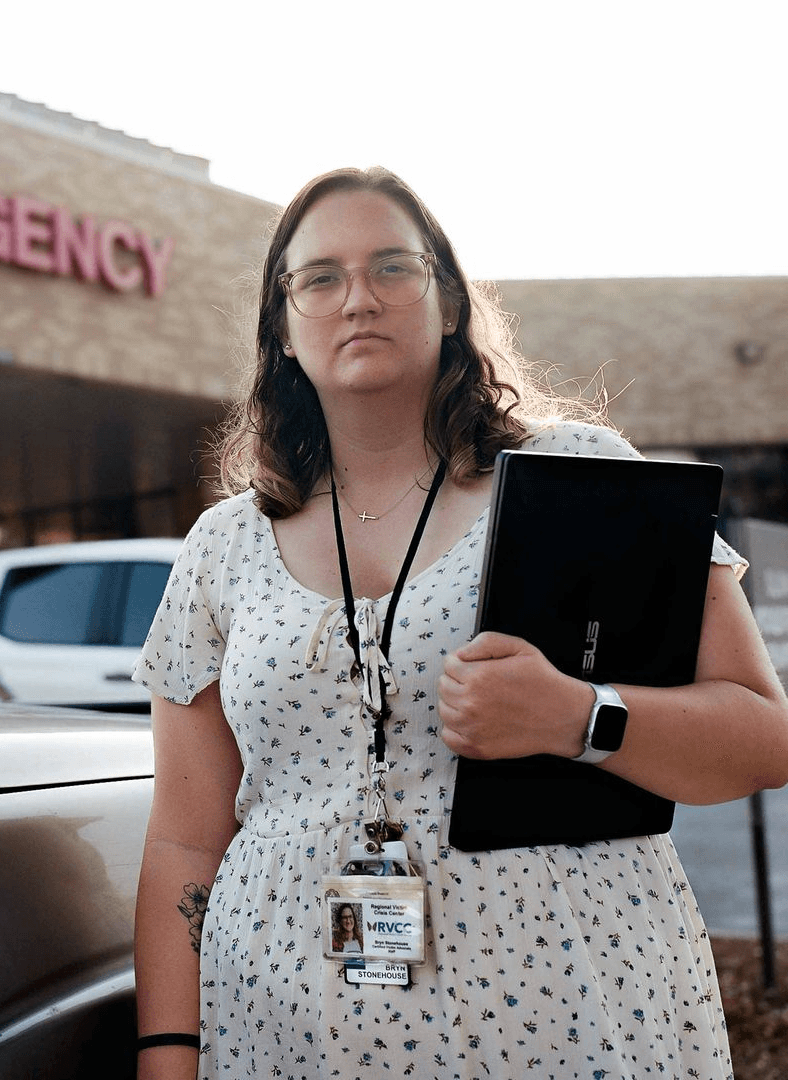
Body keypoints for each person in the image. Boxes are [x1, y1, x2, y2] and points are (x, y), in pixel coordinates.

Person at [132, 166, 788, 1080]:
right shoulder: (221, 547)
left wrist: (578, 716)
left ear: (448, 302)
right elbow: (183, 839)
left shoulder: (582, 477)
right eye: (319, 277)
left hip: (563, 1011)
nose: (358, 297)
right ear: (282, 330)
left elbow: (765, 736)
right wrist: (167, 1054)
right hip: (285, 1029)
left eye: (393, 267)